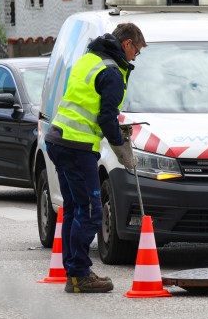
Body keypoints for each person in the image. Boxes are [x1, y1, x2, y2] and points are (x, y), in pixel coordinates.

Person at [45, 23, 146, 293]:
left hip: (58, 138)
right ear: (126, 44)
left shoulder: (89, 59)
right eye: (137, 50)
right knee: (91, 212)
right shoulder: (112, 72)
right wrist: (121, 148)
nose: (136, 57)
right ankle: (79, 275)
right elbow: (106, 116)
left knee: (75, 208)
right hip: (76, 145)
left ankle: (74, 271)